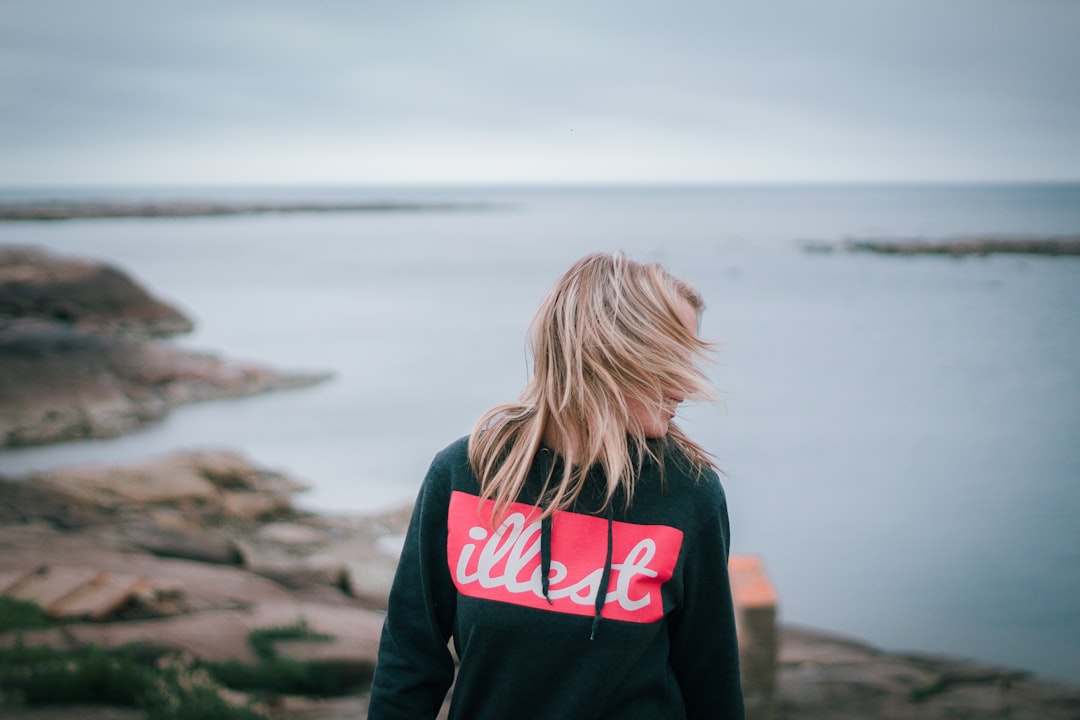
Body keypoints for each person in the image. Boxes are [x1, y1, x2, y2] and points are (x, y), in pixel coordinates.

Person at [368, 252, 745, 720]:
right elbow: (409, 661)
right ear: (614, 351)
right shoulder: (466, 475)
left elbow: (713, 684)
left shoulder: (688, 492)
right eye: (673, 360)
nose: (685, 388)